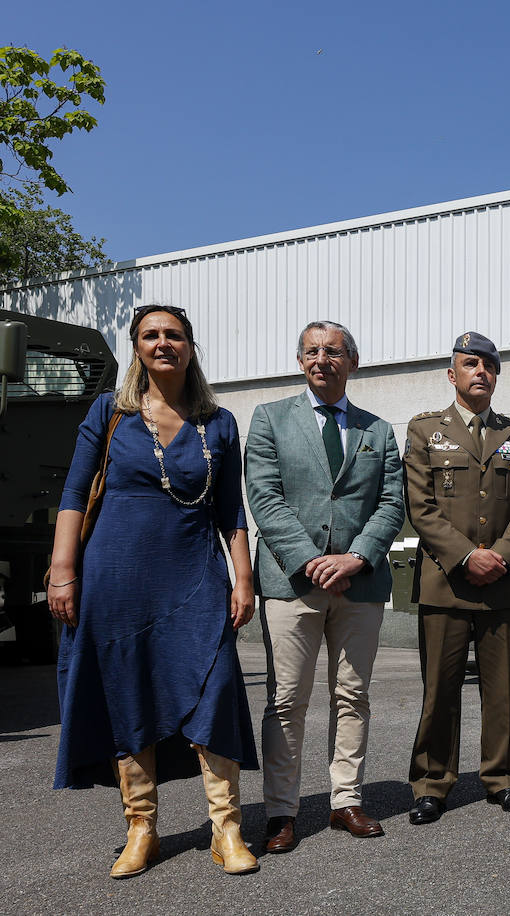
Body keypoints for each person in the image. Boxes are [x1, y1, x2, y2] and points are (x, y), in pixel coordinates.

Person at [48, 304, 259, 877]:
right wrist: (63, 571)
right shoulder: (108, 412)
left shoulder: (219, 422)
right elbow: (72, 493)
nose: (162, 343)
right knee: (128, 692)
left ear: (190, 346)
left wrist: (243, 577)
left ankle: (227, 828)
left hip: (195, 576)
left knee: (214, 690)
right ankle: (141, 827)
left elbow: (230, 510)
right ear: (137, 348)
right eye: (150, 336)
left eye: (173, 335)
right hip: (116, 578)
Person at [245, 321, 405, 852]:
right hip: (294, 582)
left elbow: (391, 503)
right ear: (299, 361)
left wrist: (356, 557)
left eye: (333, 352)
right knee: (287, 699)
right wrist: (313, 561)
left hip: (358, 586)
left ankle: (346, 801)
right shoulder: (269, 420)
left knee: (352, 693)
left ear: (351, 362)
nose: (321, 359)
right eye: (311, 351)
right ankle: (281, 812)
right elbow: (264, 499)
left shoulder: (377, 431)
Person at [405, 331, 510, 821]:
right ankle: (431, 783)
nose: (480, 371)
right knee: (439, 691)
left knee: (501, 689)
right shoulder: (425, 431)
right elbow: (420, 507)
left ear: (497, 375)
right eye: (470, 364)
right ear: (452, 375)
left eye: (488, 365)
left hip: (503, 584)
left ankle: (502, 777)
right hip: (446, 582)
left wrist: (500, 556)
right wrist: (467, 556)